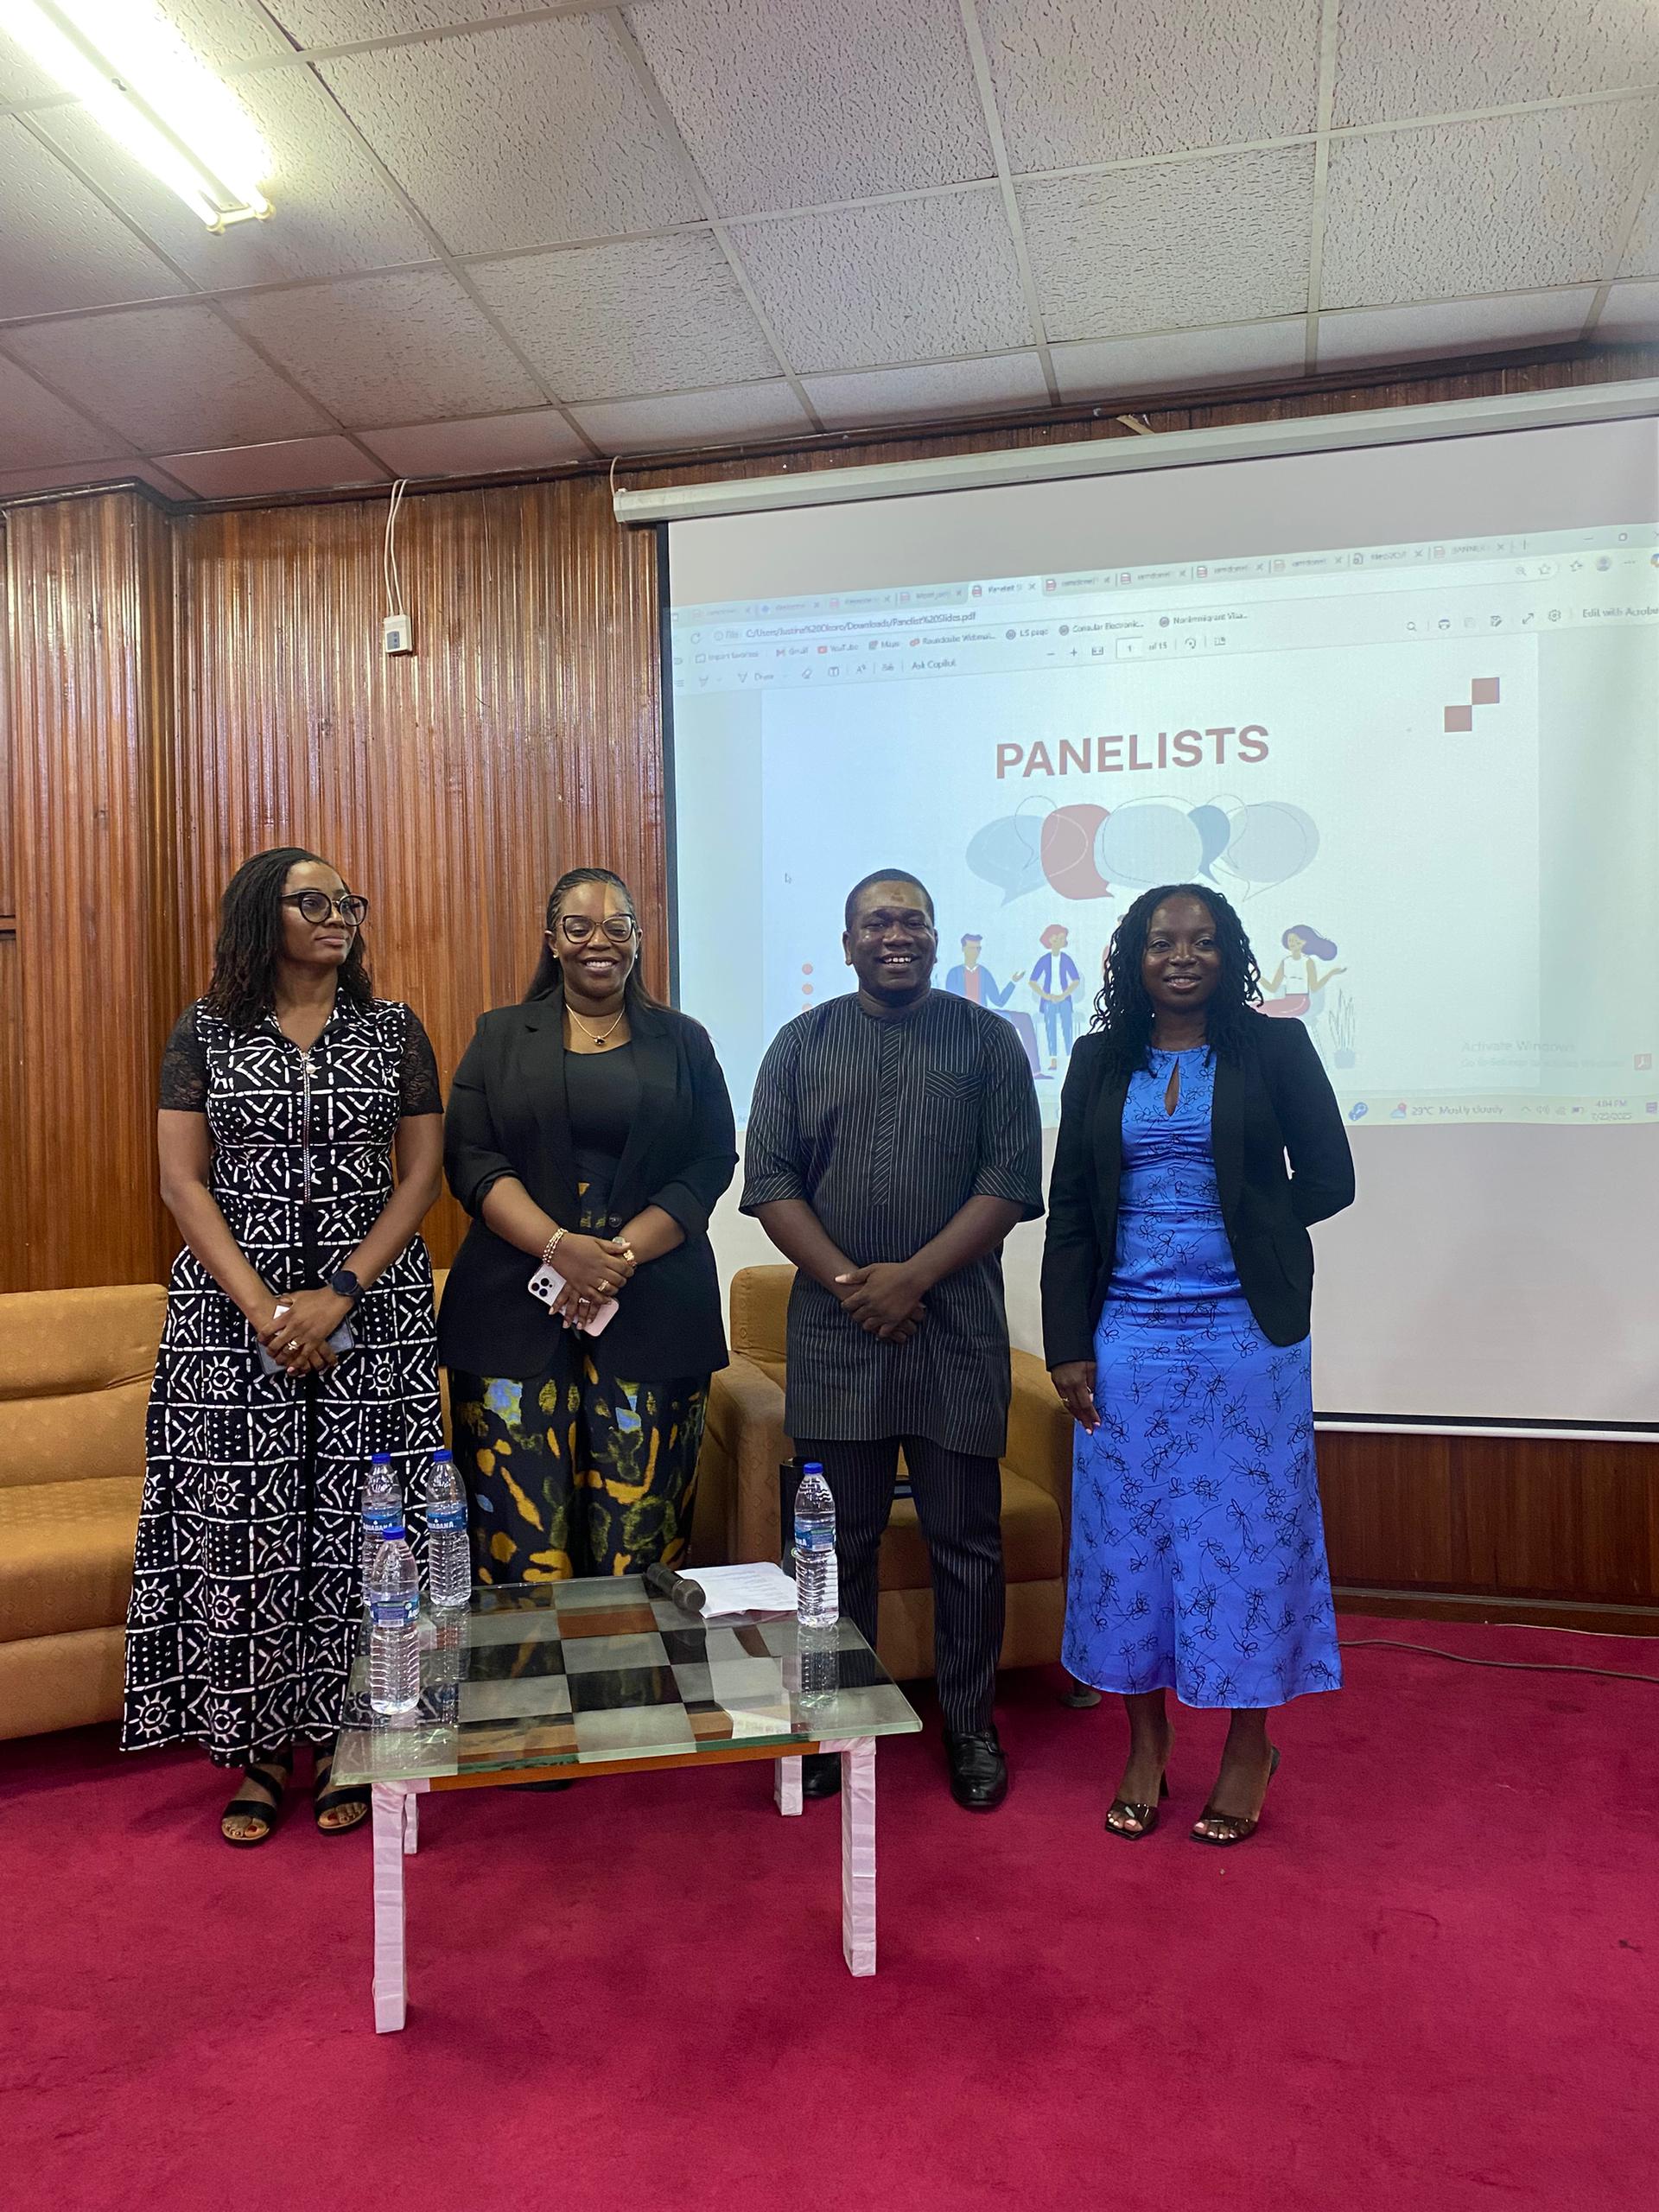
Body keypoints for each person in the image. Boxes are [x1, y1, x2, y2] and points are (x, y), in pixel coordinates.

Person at [123, 849, 445, 1847]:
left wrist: (339, 1293)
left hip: (373, 1315)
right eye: (313, 902)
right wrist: (270, 1309)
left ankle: (355, 1732)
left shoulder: (393, 1029)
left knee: (365, 1529)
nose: (338, 915)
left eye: (347, 901)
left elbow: (421, 1174)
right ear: (263, 916)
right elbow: (183, 1181)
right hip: (232, 1322)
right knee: (248, 1534)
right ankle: (262, 1749)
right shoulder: (205, 1030)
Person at [1042, 883, 1353, 1846]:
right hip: (1128, 1337)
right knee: (1128, 1543)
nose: (1183, 956)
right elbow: (1073, 1211)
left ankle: (1249, 1746)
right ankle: (1147, 1743)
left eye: (1204, 941)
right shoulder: (1098, 1061)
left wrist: (1251, 1226)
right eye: (1162, 942)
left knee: (1249, 1542)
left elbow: (1331, 1177)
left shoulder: (1275, 1048)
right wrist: (1067, 1345)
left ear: (1231, 955)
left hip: (1245, 1337)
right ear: (1131, 959)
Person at [743, 871, 1043, 1811]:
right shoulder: (800, 1043)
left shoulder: (988, 1040)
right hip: (837, 1339)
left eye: (914, 920)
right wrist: (854, 1285)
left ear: (937, 938)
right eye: (877, 922)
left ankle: (970, 1724)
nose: (896, 935)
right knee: (838, 1544)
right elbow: (770, 1183)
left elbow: (1010, 1180)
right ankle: (836, 1719)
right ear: (848, 944)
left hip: (956, 1333)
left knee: (966, 1539)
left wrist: (911, 1280)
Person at [441, 868, 735, 1588]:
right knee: (520, 1548)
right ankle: (526, 1667)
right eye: (579, 927)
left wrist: (615, 1258)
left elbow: (709, 1161)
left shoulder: (685, 1041)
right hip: (512, 1315)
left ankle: (636, 1668)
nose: (598, 941)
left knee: (642, 1544)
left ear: (639, 938)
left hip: (656, 1310)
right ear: (553, 940)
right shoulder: (500, 1035)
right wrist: (560, 1249)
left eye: (617, 926)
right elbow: (471, 1158)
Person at [945, 931, 1044, 1078]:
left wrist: (1013, 982)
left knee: (1024, 1018)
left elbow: (999, 1000)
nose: (975, 952)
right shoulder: (954, 973)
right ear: (963, 949)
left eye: (978, 948)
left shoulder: (983, 972)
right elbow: (951, 1002)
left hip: (986, 1013)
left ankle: (1034, 1070)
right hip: (963, 1014)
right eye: (972, 948)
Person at [1262, 925, 1344, 1021]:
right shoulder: (1285, 962)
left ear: (1304, 943)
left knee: (1260, 1011)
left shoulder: (1307, 962)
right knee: (1255, 1008)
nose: (1293, 944)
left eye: (1297, 941)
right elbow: (1272, 987)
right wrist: (1257, 977)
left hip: (1301, 1003)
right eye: (1290, 940)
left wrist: (1331, 974)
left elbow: (1314, 987)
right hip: (1286, 1001)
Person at [1028, 922, 1082, 1069]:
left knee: (1067, 1027)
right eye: (1056, 938)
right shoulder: (1044, 960)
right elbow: (1032, 981)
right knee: (1050, 1027)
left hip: (1064, 999)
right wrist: (1045, 995)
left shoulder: (1066, 959)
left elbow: (1075, 980)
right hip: (1049, 1000)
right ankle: (1053, 1059)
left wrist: (1064, 995)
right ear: (1050, 939)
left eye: (1062, 938)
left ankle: (1070, 1058)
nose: (1059, 941)